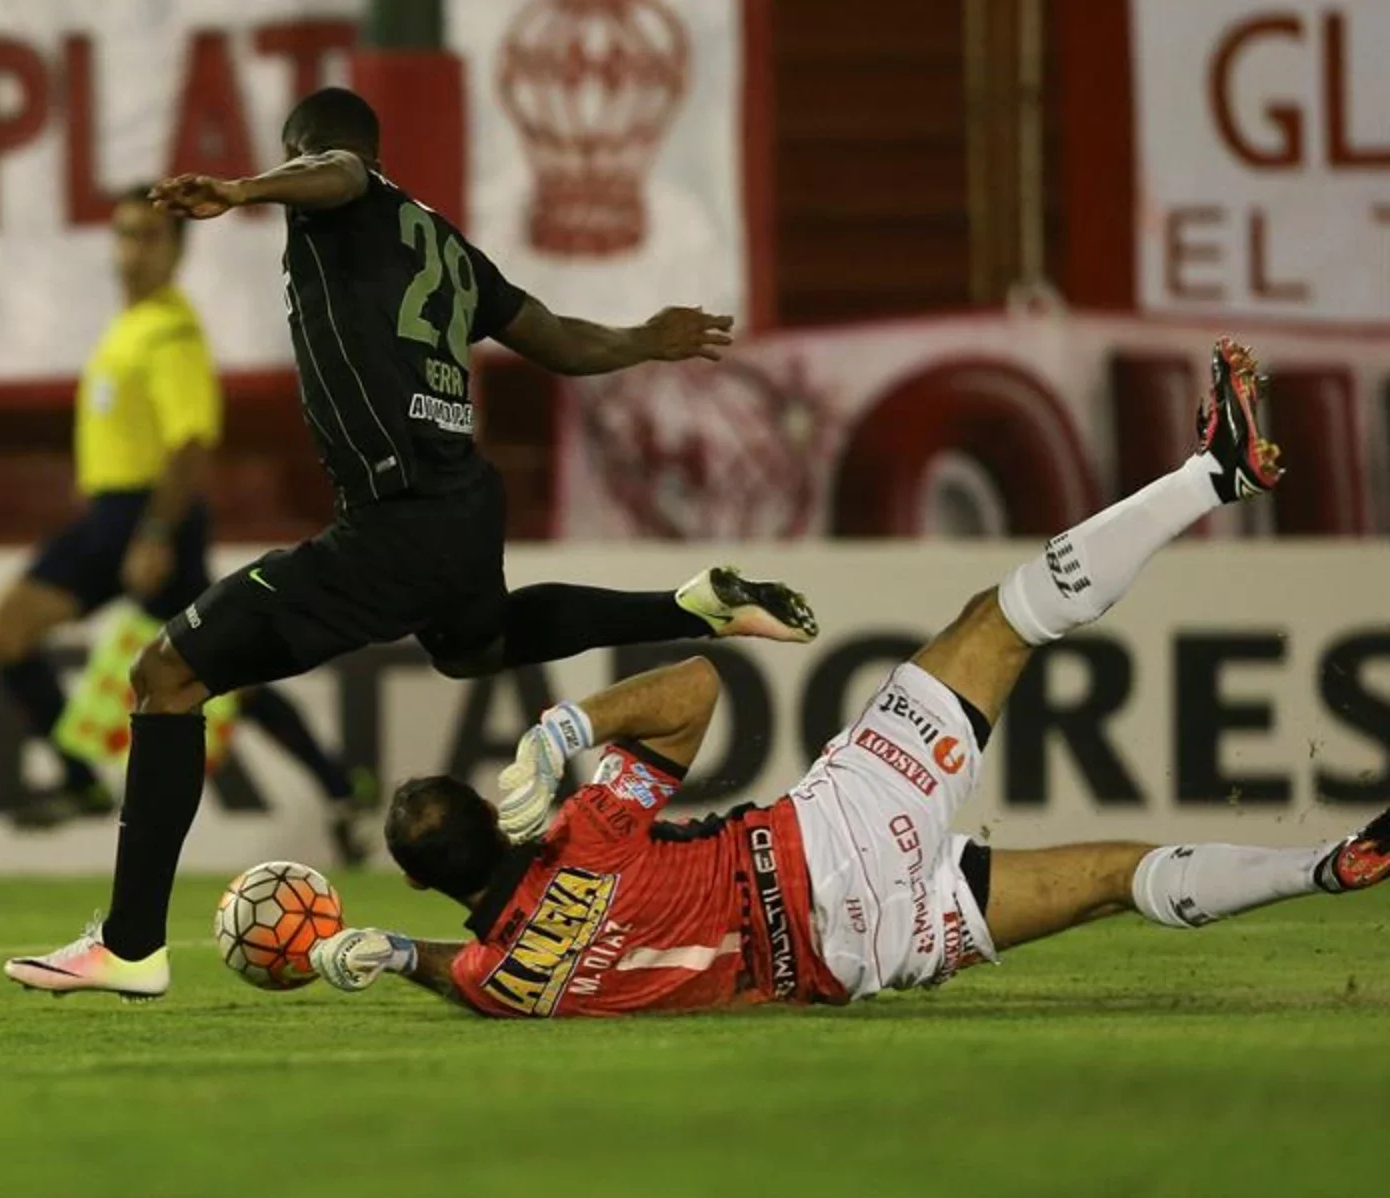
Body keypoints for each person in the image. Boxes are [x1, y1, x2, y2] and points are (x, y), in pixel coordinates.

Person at [4, 88, 817, 998]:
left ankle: (130, 944)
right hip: (465, 503)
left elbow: (339, 173)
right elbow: (552, 338)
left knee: (167, 675)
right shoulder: (451, 250)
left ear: (305, 148)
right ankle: (691, 604)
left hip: (394, 519)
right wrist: (641, 339)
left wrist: (242, 189)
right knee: (479, 645)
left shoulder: (341, 194)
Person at [306, 340, 1390, 1015]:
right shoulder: (583, 835)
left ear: (422, 886)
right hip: (827, 844)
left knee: (1116, 877)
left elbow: (468, 967)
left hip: (859, 960)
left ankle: (1330, 867)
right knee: (997, 623)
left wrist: (395, 953)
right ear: (502, 823)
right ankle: (1216, 470)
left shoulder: (504, 986)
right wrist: (562, 730)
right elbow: (695, 689)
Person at [0, 185, 373, 861]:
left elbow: (190, 442)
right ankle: (340, 785)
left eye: (149, 237)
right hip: (113, 517)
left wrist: (156, 534)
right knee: (213, 668)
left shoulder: (170, 331)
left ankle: (339, 786)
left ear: (177, 251)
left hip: (144, 517)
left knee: (196, 664)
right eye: (126, 235)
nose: (132, 251)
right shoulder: (131, 325)